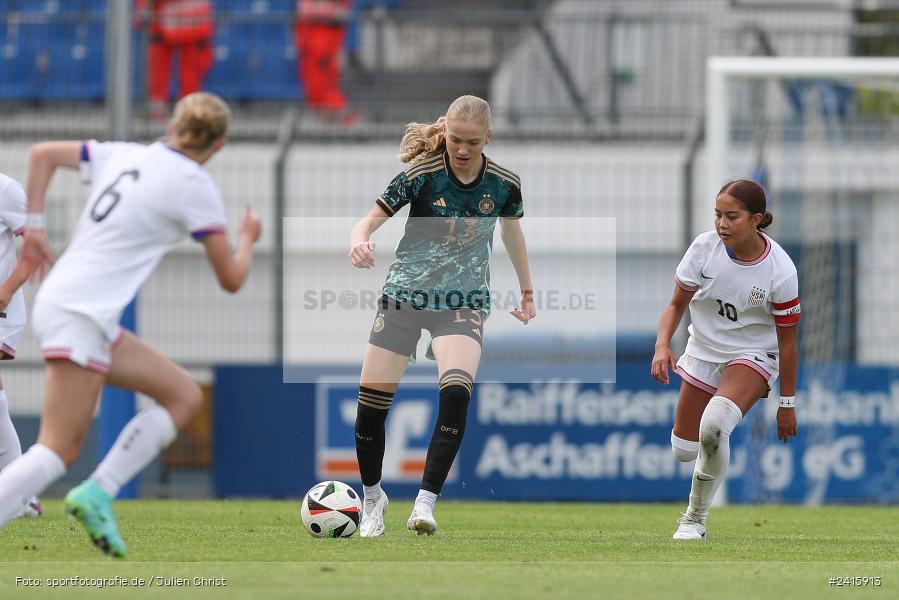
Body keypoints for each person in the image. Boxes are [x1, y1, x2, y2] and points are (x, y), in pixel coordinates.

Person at [0, 92, 261, 557]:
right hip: (79, 312)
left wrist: (35, 226)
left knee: (181, 394)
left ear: (172, 124)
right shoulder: (194, 184)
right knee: (57, 450)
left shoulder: (122, 154)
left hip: (78, 309)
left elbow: (42, 155)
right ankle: (97, 489)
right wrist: (247, 239)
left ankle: (99, 491)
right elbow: (232, 279)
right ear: (218, 145)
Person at [348, 94, 535, 537]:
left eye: (472, 141)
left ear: (488, 138)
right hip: (404, 297)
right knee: (371, 409)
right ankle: (373, 499)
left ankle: (425, 504)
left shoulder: (505, 184)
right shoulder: (422, 174)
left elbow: (512, 231)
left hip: (463, 302)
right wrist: (358, 240)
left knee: (455, 393)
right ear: (445, 133)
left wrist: (527, 291)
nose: (462, 149)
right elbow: (368, 221)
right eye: (455, 139)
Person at [651, 178, 800, 541]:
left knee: (715, 427)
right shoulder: (704, 249)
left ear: (756, 219)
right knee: (684, 450)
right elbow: (675, 305)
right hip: (703, 351)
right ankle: (698, 483)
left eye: (731, 216)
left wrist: (787, 403)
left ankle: (694, 519)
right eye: (717, 215)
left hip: (754, 356)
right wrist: (661, 346)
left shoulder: (781, 271)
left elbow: (788, 342)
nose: (721, 224)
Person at [0, 173, 41, 519]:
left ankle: (20, 493)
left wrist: (8, 289)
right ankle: (21, 493)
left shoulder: (6, 190)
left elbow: (35, 246)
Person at [137, 0, 215, 122]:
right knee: (158, 71)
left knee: (190, 74)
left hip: (194, 25)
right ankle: (158, 112)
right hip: (163, 25)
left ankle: (189, 114)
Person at [295, 0, 355, 124]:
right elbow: (301, 14)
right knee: (313, 87)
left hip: (324, 45)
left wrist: (328, 50)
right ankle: (330, 122)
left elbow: (341, 14)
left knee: (325, 86)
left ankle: (346, 121)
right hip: (308, 45)